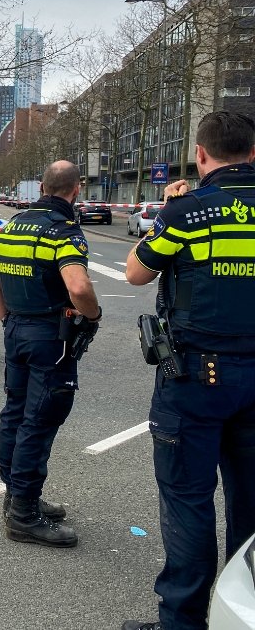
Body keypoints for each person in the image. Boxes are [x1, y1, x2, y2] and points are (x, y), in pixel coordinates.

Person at [122, 111, 255, 630]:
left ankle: (183, 622)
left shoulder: (188, 210)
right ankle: (239, 614)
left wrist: (170, 212)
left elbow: (135, 272)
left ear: (201, 155)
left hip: (196, 378)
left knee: (187, 500)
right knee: (251, 502)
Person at [0, 160, 101, 549]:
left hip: (17, 329)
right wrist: (93, 315)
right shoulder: (64, 232)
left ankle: (15, 495)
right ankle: (24, 515)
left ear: (41, 186)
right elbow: (79, 287)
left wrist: (8, 321)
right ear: (76, 189)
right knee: (40, 419)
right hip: (50, 336)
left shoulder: (9, 227)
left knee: (14, 412)